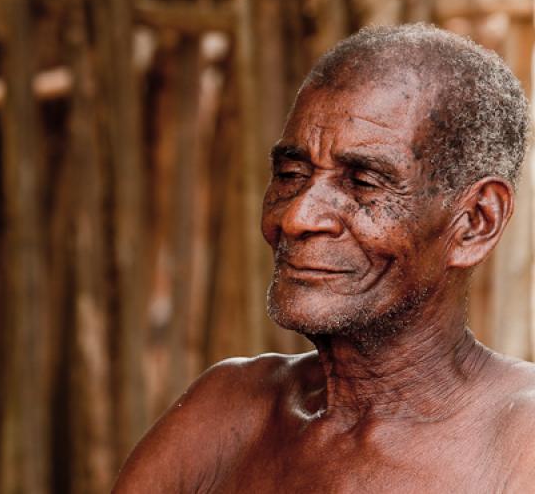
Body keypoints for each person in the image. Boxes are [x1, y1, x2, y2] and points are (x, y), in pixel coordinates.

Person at [112, 24, 535, 493]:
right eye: (292, 173)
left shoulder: (521, 444)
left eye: (363, 182)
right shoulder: (226, 415)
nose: (298, 216)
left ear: (475, 221)